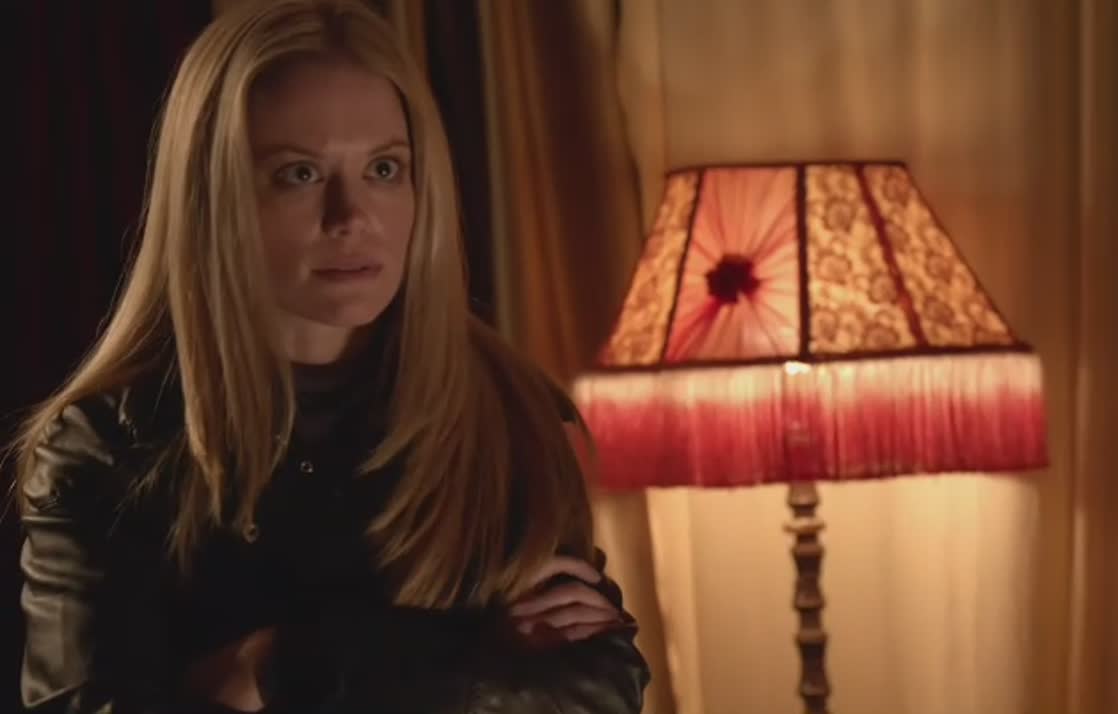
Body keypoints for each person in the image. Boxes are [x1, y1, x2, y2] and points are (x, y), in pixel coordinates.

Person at [9, 1, 648, 712]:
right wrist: (469, 655)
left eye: (383, 168)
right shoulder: (106, 446)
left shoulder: (509, 411)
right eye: (300, 175)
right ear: (214, 197)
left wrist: (277, 665)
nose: (351, 217)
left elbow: (597, 688)